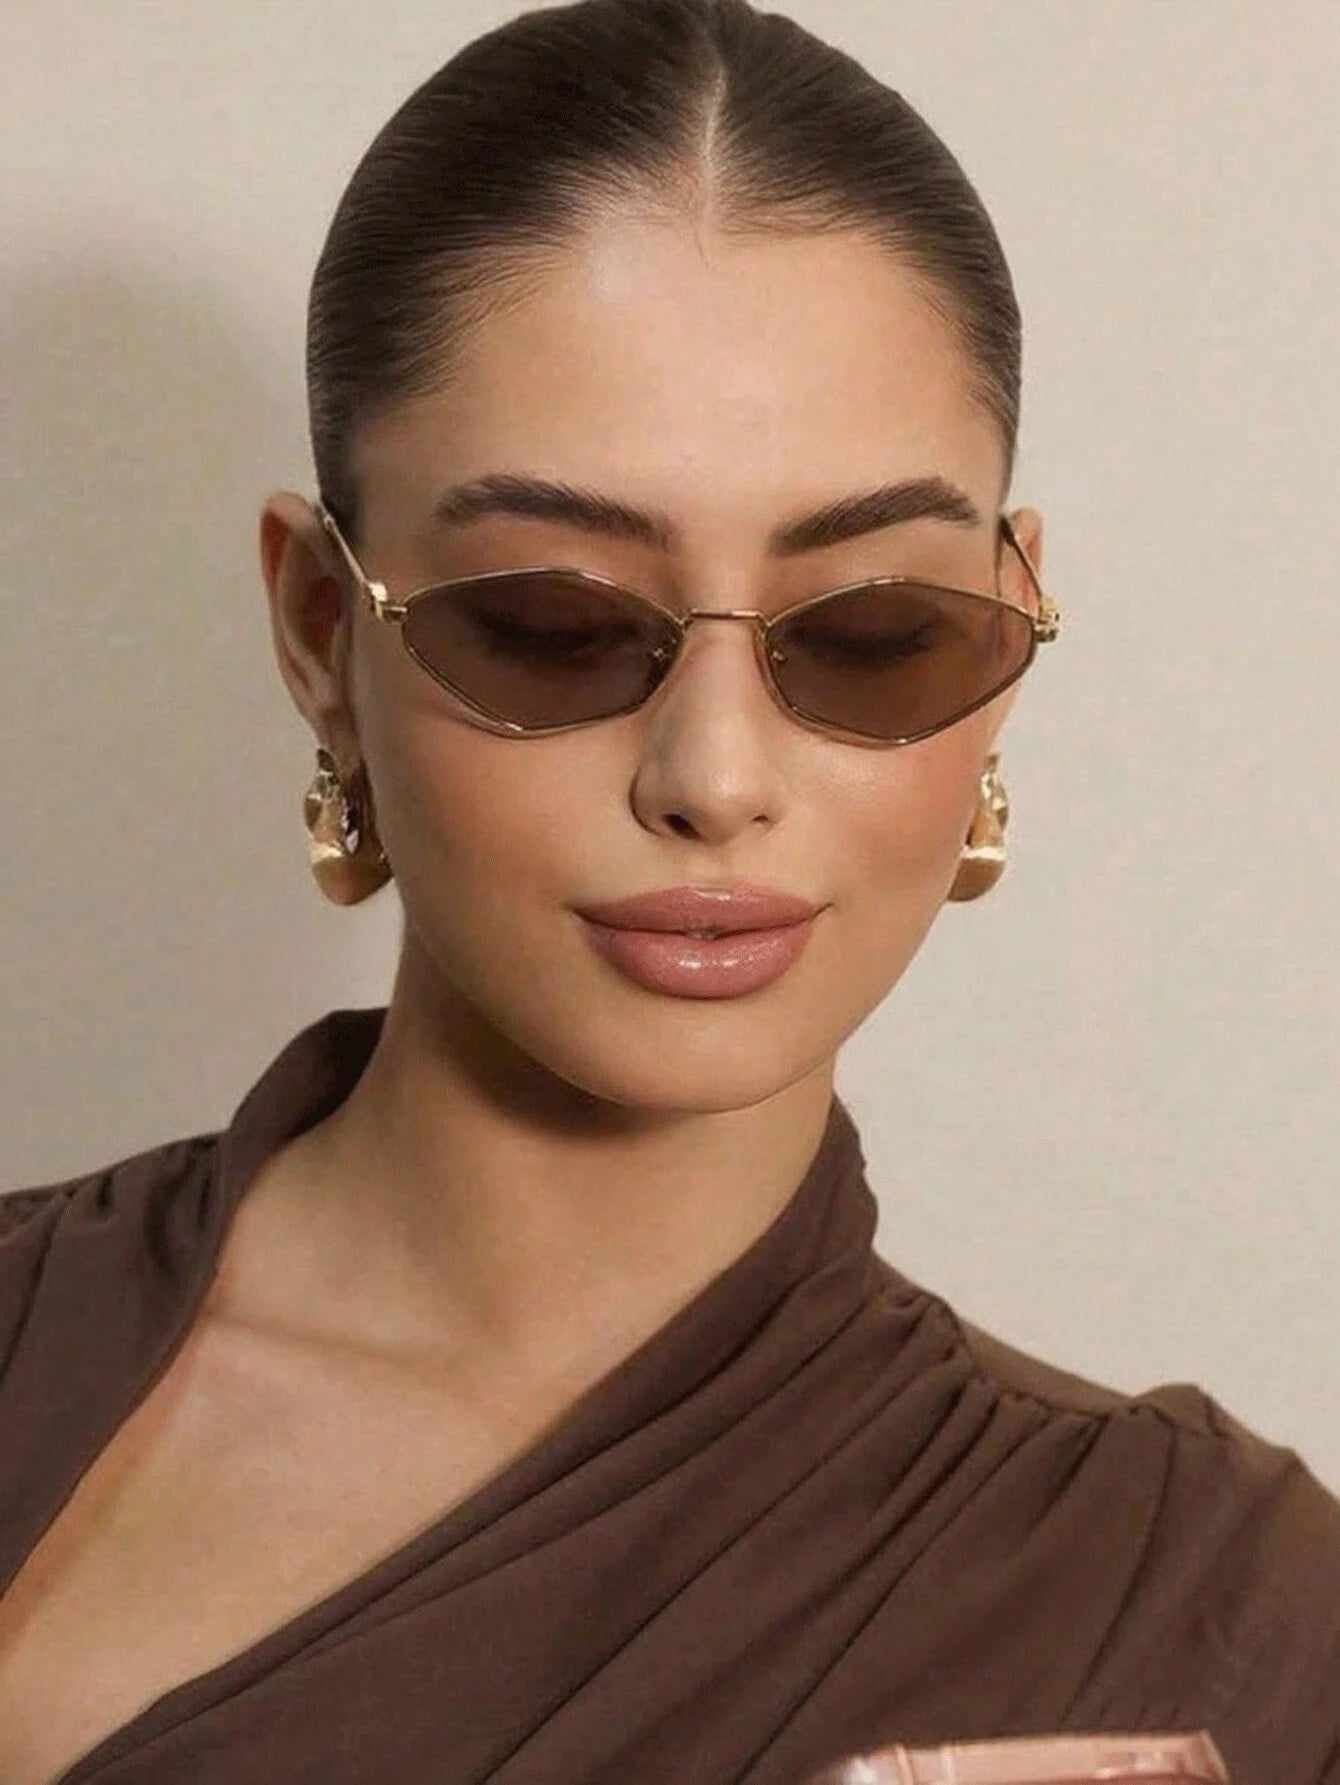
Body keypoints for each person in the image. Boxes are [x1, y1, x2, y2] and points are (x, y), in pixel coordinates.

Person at [1, 1, 1336, 1781]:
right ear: (323, 631)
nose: (713, 775)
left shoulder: (1204, 1611)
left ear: (1010, 632)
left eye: (875, 629)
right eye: (550, 623)